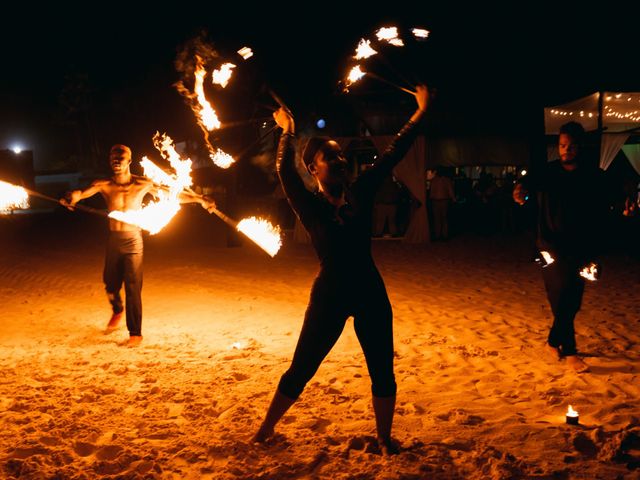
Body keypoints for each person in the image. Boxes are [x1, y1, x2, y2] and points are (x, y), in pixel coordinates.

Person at [253, 86, 429, 454]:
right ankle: (267, 428)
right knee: (302, 368)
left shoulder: (362, 192)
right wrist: (287, 131)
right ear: (312, 167)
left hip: (369, 291)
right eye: (330, 158)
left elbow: (394, 152)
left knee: (382, 369)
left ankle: (383, 436)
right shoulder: (310, 206)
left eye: (341, 157)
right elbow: (284, 171)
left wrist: (419, 112)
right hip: (330, 294)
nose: (340, 161)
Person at [60, 144, 216, 347]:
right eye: (113, 157)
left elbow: (171, 194)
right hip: (114, 240)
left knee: (133, 287)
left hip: (134, 240)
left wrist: (199, 198)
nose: (117, 161)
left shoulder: (143, 183)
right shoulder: (104, 184)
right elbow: (81, 193)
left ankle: (135, 333)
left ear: (129, 161)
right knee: (110, 284)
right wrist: (71, 196)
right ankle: (117, 310)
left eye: (121, 157)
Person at [513, 122, 607, 373]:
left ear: (580, 147)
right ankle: (571, 353)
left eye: (572, 146)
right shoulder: (546, 173)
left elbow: (607, 201)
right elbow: (525, 189)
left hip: (580, 247)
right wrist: (520, 193)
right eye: (563, 145)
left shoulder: (592, 175)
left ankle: (554, 340)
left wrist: (625, 207)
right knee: (562, 295)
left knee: (573, 300)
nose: (567, 150)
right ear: (558, 146)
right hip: (548, 246)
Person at [428, 167, 455, 240]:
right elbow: (450, 191)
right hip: (444, 200)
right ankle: (444, 235)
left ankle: (437, 235)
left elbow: (431, 191)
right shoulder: (446, 180)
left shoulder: (433, 180)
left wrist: (431, 199)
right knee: (444, 218)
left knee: (437, 219)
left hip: (435, 200)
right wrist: (453, 199)